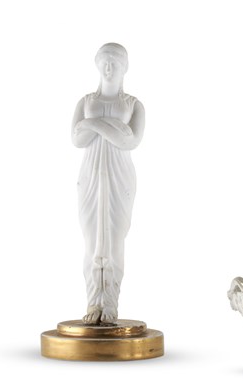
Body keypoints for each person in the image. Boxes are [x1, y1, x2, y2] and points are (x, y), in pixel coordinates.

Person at [71, 43, 145, 325]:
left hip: (119, 175)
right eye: (104, 62)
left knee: (114, 240)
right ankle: (93, 302)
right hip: (90, 175)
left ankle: (110, 304)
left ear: (125, 67)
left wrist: (92, 124)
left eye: (115, 62)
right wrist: (113, 128)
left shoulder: (133, 105)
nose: (109, 67)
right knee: (92, 240)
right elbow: (76, 139)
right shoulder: (85, 101)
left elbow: (130, 141)